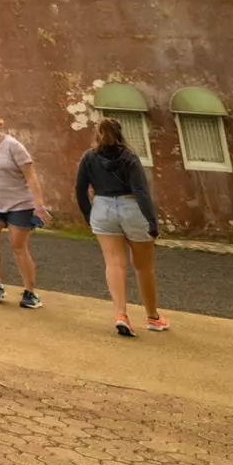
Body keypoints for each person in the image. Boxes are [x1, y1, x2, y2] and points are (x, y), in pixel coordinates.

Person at [73, 117, 166, 336]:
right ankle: (153, 317)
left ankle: (121, 315)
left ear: (98, 134)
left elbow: (80, 189)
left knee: (114, 263)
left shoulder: (88, 157)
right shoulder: (129, 157)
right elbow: (140, 190)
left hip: (102, 207)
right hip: (132, 206)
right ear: (120, 133)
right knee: (143, 266)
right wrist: (151, 221)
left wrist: (88, 215)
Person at [0, 104, 51, 308]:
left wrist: (39, 206)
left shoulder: (13, 146)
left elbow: (31, 177)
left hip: (18, 203)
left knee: (18, 246)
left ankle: (30, 292)